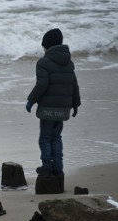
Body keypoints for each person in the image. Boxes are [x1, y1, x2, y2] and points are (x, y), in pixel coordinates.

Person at [26, 28, 81, 177]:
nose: (43, 49)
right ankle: (58, 167)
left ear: (48, 46)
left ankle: (47, 167)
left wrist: (31, 100)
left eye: (44, 46)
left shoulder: (43, 62)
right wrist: (76, 104)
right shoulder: (69, 63)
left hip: (48, 109)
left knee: (45, 138)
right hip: (63, 109)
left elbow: (42, 85)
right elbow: (74, 85)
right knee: (56, 137)